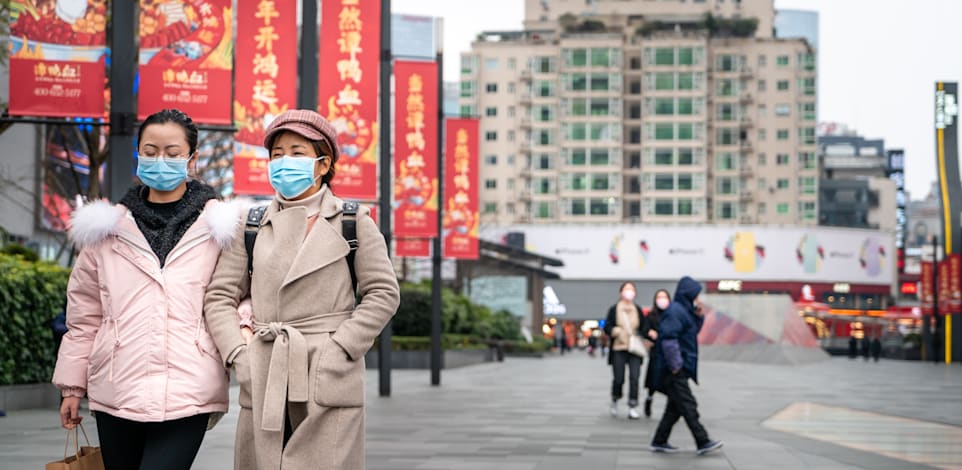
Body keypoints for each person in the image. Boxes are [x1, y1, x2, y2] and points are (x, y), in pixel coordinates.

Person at [204, 109, 400, 470]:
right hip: (265, 366)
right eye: (277, 155)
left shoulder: (354, 221)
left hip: (328, 369)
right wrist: (239, 355)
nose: (284, 163)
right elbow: (219, 297)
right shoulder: (250, 224)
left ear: (323, 164)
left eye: (297, 153)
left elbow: (383, 293)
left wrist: (340, 348)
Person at [52, 109, 240, 470]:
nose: (161, 160)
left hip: (190, 386)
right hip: (116, 385)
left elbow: (239, 298)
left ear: (192, 159)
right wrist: (72, 388)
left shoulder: (222, 231)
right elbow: (84, 315)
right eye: (150, 151)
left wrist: (234, 349)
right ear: (138, 154)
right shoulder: (106, 231)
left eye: (172, 152)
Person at [650, 276, 722, 455]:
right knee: (689, 405)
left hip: (679, 366)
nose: (698, 299)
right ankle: (702, 440)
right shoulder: (676, 311)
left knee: (674, 408)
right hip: (674, 369)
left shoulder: (684, 311)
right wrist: (676, 366)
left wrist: (698, 318)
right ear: (688, 294)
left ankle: (659, 440)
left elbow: (689, 333)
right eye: (696, 295)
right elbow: (668, 339)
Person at [603, 282, 653, 420]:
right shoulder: (614, 309)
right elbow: (607, 326)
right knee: (619, 378)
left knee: (634, 377)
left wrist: (647, 334)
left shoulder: (637, 309)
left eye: (631, 289)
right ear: (621, 292)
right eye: (626, 289)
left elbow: (644, 327)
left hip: (634, 348)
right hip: (619, 347)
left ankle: (633, 405)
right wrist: (616, 331)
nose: (629, 292)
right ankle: (615, 398)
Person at [643, 289, 670, 418]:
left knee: (670, 380)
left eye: (664, 297)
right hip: (656, 352)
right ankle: (649, 399)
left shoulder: (672, 314)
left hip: (669, 353)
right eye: (659, 297)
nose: (662, 299)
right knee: (653, 379)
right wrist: (649, 334)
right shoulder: (651, 315)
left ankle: (672, 404)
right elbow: (644, 329)